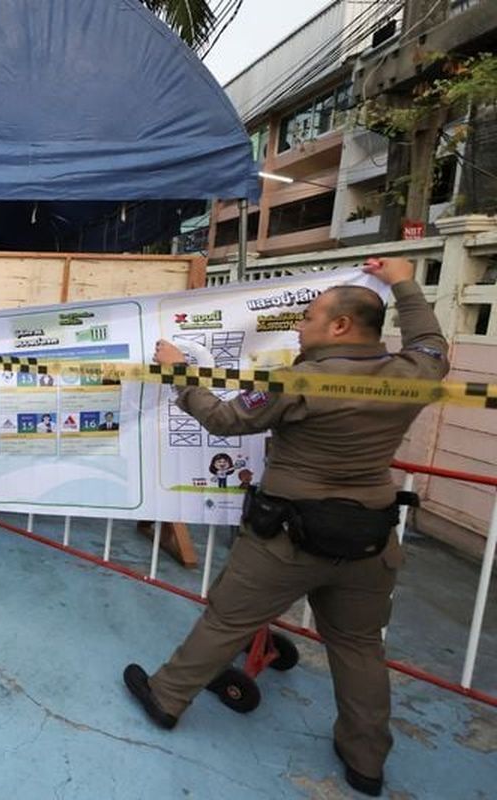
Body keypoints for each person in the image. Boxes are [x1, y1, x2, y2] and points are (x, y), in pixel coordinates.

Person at [123, 258, 449, 798]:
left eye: (311, 317)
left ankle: (166, 697)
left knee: (226, 620)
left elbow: (226, 419)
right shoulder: (412, 373)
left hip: (287, 539)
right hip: (369, 539)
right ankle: (365, 761)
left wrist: (179, 371)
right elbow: (432, 341)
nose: (301, 326)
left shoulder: (298, 379)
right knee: (359, 645)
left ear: (340, 326)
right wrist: (403, 282)